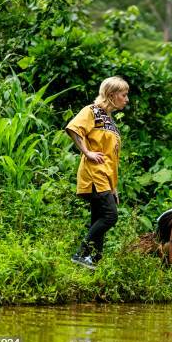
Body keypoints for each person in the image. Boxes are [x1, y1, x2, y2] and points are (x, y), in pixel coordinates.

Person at [65, 76, 129, 270]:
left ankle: (93, 261)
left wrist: (114, 187)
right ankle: (81, 254)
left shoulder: (111, 122)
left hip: (106, 178)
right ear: (111, 94)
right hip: (94, 174)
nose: (127, 99)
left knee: (98, 218)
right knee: (110, 216)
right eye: (124, 95)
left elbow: (112, 158)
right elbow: (73, 129)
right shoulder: (92, 111)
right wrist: (87, 152)